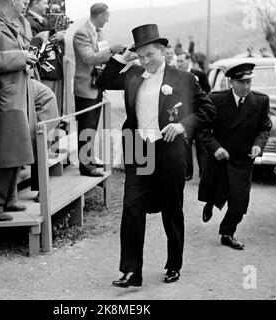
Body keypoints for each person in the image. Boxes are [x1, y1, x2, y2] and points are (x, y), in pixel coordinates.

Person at [96, 24, 216, 287]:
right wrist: (124, 58)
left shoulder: (183, 78)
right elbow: (101, 82)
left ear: (162, 50)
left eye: (150, 54)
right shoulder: (133, 74)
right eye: (141, 56)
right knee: (131, 208)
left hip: (169, 149)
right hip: (139, 147)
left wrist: (183, 125)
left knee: (172, 209)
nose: (145, 61)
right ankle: (131, 271)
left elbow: (208, 110)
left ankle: (174, 264)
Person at [198, 62, 272, 250]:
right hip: (220, 156)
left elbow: (264, 128)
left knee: (239, 200)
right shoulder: (215, 99)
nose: (246, 87)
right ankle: (211, 203)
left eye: (249, 82)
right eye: (241, 83)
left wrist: (258, 145)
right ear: (231, 82)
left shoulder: (261, 101)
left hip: (243, 158)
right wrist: (215, 148)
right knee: (217, 189)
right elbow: (203, 130)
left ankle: (227, 233)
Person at [0, 0, 38, 221]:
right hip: (4, 96)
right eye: (23, 1)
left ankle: (8, 199)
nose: (25, 5)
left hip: (18, 92)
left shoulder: (14, 25)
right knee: (4, 150)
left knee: (17, 147)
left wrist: (27, 58)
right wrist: (22, 57)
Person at [73, 2, 125, 177]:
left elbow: (101, 57)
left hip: (96, 86)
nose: (108, 20)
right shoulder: (82, 33)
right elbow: (89, 58)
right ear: (100, 15)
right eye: (107, 16)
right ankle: (86, 166)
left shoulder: (99, 33)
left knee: (92, 127)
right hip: (85, 88)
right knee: (86, 126)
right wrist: (110, 51)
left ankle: (89, 160)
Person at [176, 51, 211, 179]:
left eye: (181, 61)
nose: (179, 64)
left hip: (199, 115)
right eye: (178, 61)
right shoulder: (176, 75)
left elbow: (207, 92)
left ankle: (203, 173)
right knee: (186, 145)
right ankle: (187, 173)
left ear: (188, 60)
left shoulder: (200, 74)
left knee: (202, 145)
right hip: (184, 115)